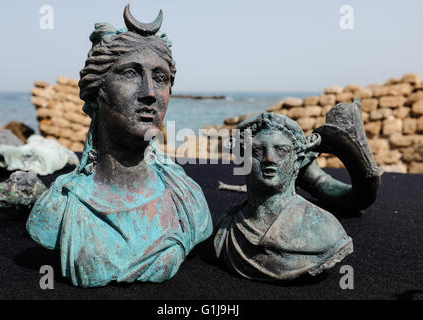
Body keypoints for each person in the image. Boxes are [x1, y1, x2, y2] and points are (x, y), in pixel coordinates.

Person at [26, 6, 212, 287]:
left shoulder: (188, 199)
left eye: (160, 78)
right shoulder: (59, 207)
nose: (150, 92)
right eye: (130, 73)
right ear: (97, 91)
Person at [214, 112, 353, 281]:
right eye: (257, 150)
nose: (269, 159)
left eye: (281, 150)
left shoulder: (327, 230)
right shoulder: (226, 228)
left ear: (297, 161)